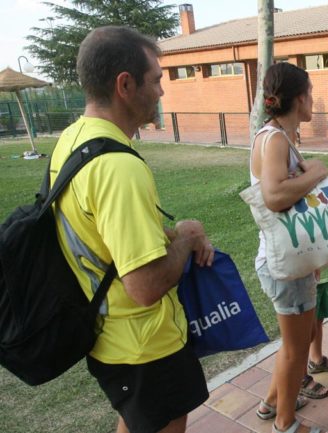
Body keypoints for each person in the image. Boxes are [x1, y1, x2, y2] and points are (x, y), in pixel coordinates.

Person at [49, 26, 215, 433]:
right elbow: (144, 285)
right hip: (146, 346)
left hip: (111, 339)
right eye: (156, 80)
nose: (162, 92)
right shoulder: (118, 166)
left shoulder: (73, 139)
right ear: (125, 84)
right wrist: (189, 236)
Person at [251, 62, 328, 433]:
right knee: (297, 347)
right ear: (298, 98)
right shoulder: (276, 139)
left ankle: (270, 403)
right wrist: (316, 171)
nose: (313, 100)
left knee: (296, 341)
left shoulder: (279, 136)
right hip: (286, 264)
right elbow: (275, 195)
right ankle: (285, 423)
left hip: (290, 259)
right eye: (310, 93)